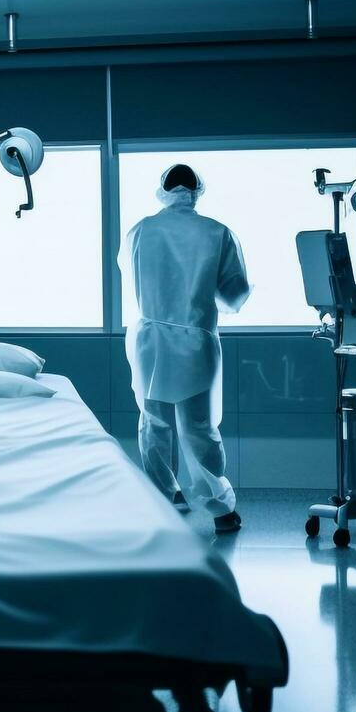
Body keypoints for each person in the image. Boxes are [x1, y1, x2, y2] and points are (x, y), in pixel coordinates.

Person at [119, 164, 251, 534]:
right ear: (197, 190)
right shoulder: (217, 232)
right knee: (199, 426)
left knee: (153, 421)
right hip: (195, 338)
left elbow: (130, 277)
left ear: (162, 189)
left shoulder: (141, 230)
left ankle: (165, 499)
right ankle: (221, 511)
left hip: (148, 339)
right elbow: (234, 293)